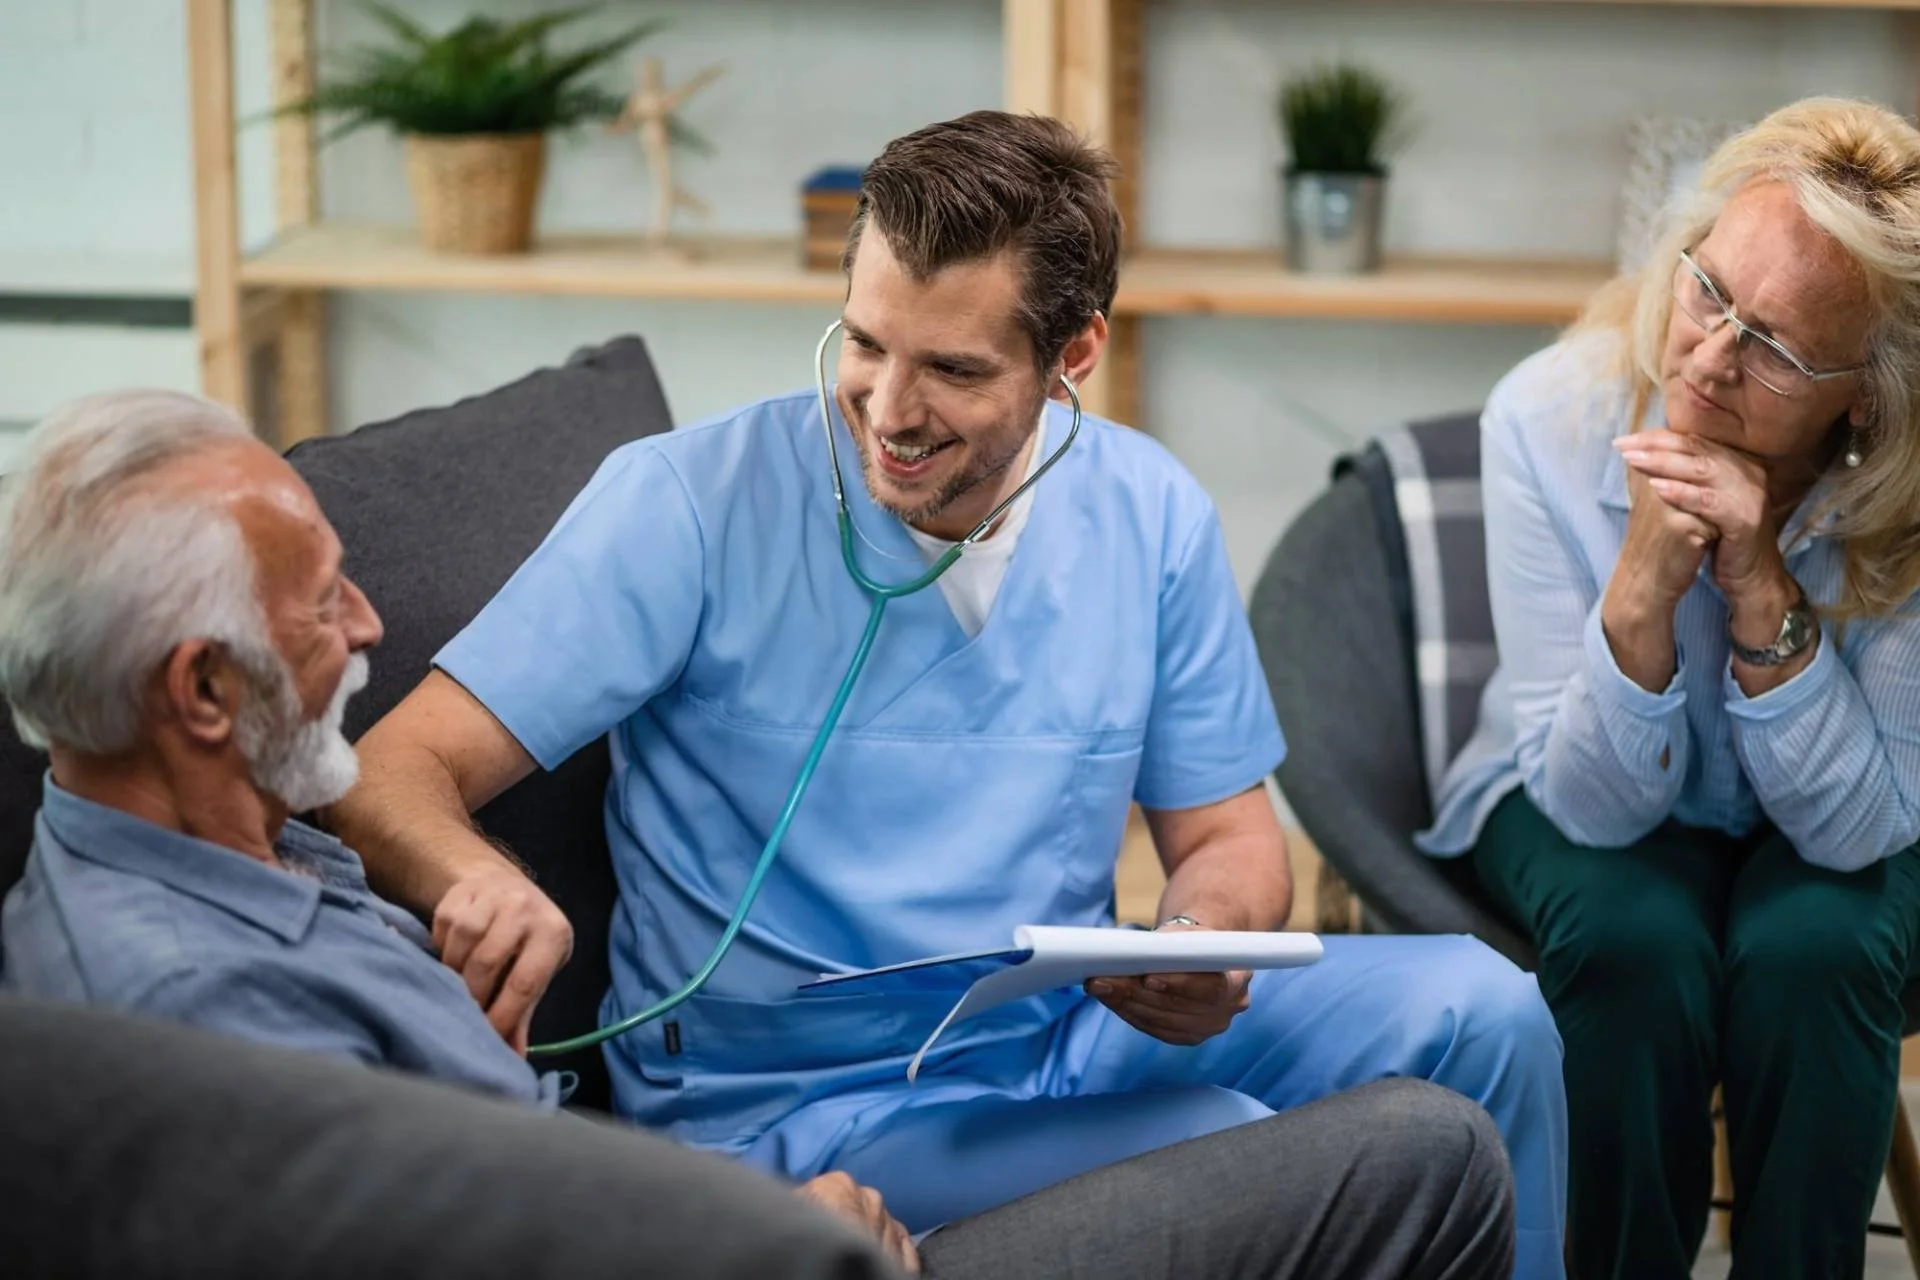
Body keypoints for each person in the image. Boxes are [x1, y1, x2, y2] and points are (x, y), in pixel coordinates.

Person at [327, 109, 1569, 1278]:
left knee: (1490, 1010)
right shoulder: (687, 505)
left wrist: (1200, 942)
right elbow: (390, 772)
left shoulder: (1149, 512)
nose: (890, 411)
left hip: (1066, 1029)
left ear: (1073, 351)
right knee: (1236, 1142)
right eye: (866, 344)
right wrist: (474, 873)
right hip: (798, 1107)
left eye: (955, 369)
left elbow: (1231, 838)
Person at [0, 388, 1521, 1280]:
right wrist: (746, 1229)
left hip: (730, 1210)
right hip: (764, 1233)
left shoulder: (252, 836)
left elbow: (462, 1174)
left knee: (1475, 1018)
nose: (372, 622)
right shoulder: (193, 1016)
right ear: (202, 688)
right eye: (324, 603)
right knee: (1405, 1160)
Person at [1413, 96, 1920, 1280]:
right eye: (1708, 292)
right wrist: (1646, 576)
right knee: (1635, 939)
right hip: (1562, 775)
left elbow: (1856, 830)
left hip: (1856, 810)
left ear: (1868, 392)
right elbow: (1592, 813)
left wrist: (1757, 584)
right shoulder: (1547, 417)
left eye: (1777, 348)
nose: (1707, 355)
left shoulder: (1908, 490)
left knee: (1818, 945)